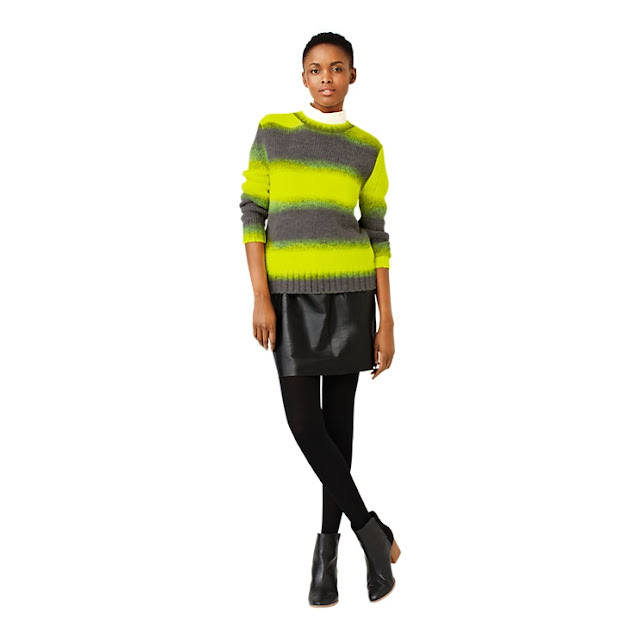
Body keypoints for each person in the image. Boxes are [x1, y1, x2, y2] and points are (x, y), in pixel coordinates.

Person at [239, 32, 400, 606]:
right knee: (305, 424)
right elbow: (253, 212)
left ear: (353, 75)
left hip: (352, 297)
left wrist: (387, 320)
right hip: (288, 298)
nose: (326, 78)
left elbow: (377, 235)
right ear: (303, 76)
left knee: (338, 429)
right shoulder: (273, 132)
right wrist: (261, 296)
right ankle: (372, 532)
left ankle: (326, 557)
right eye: (315, 69)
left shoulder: (367, 148)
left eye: (336, 68)